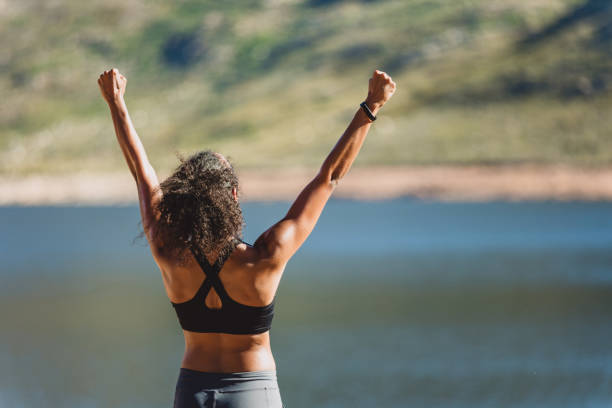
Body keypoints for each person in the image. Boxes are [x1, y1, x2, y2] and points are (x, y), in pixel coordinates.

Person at [98, 67, 396, 408]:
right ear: (234, 197)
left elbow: (142, 173)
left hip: (192, 391)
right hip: (252, 392)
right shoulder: (265, 257)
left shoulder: (167, 251)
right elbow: (329, 178)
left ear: (182, 199)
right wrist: (371, 106)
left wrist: (116, 103)